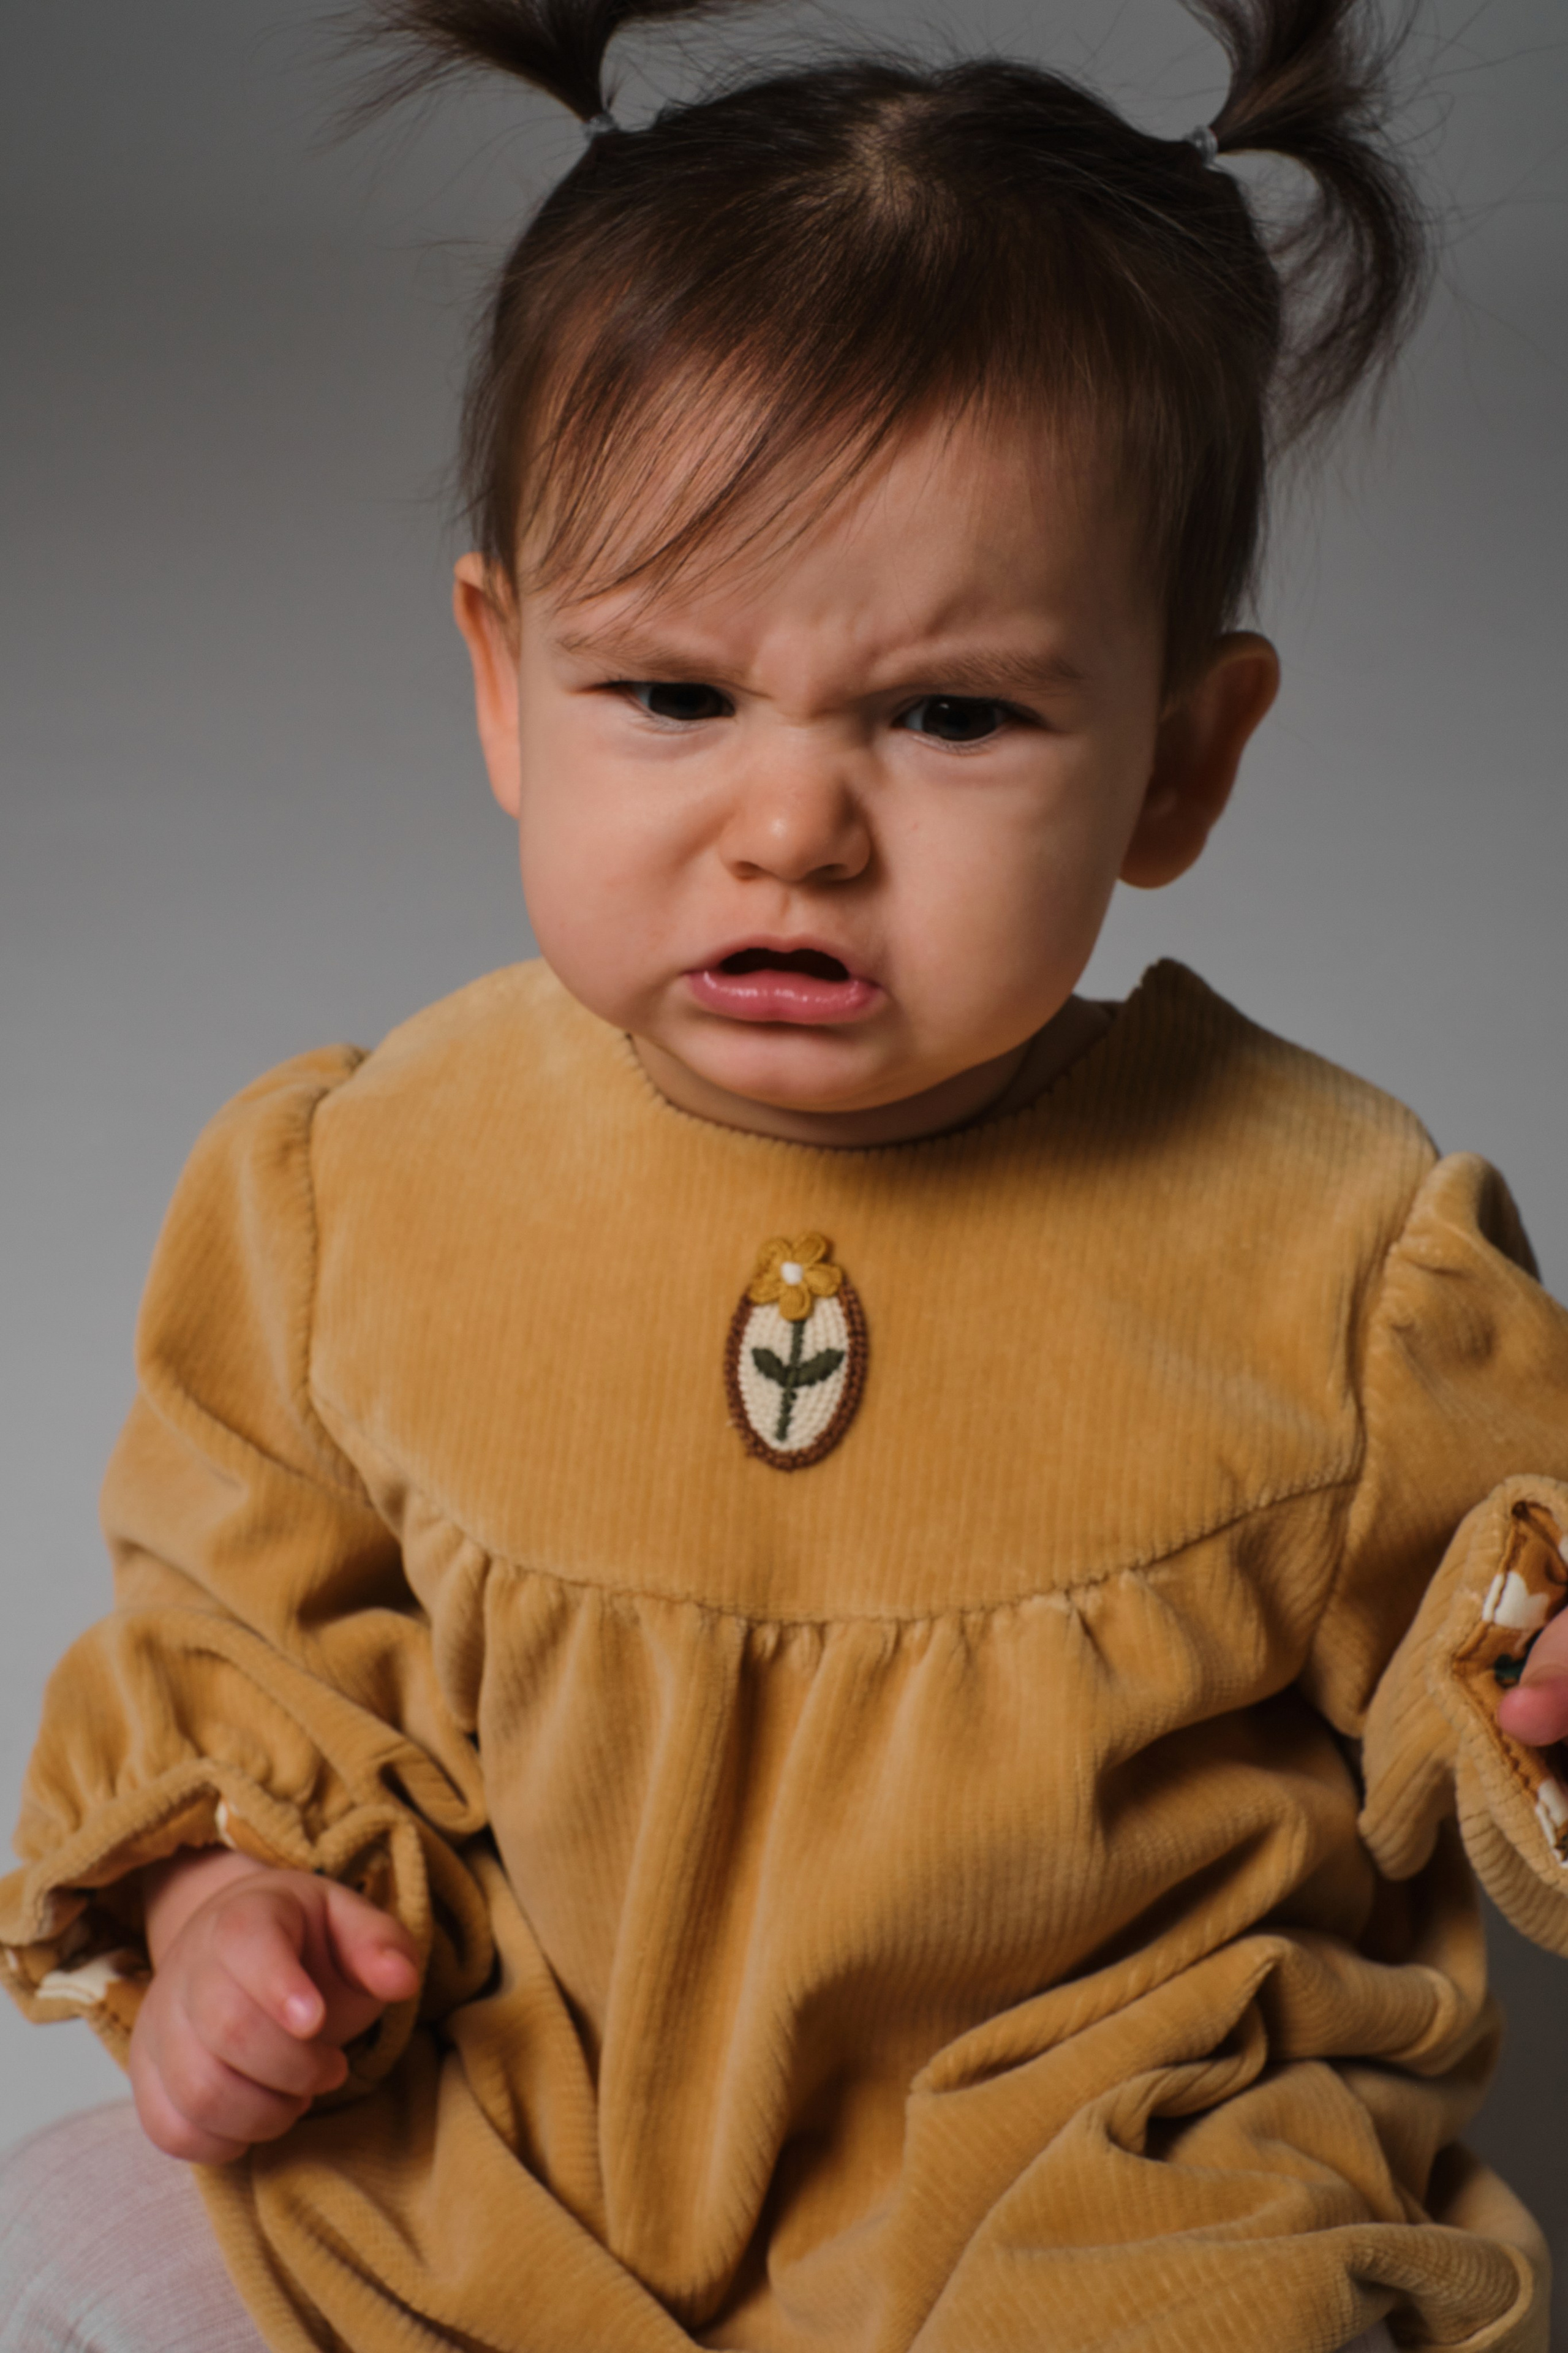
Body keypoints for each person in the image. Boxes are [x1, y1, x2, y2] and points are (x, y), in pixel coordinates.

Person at [2, 0, 1566, 2346]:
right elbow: (254, 1645)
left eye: (952, 716)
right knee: (87, 2236)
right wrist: (243, 1903)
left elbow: (1486, 1594)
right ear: (507, 684)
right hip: (514, 2101)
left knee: (1213, 2298)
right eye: (675, 695)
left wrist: (1533, 1675)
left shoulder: (1327, 1244)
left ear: (1176, 762)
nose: (792, 824)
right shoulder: (366, 1190)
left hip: (1084, 2140)